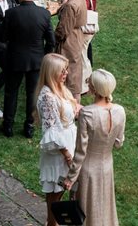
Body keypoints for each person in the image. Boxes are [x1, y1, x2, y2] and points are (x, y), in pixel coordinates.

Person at [63, 69, 126, 226]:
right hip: (107, 166)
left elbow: (80, 151)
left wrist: (71, 177)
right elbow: (119, 143)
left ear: (94, 89)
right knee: (105, 207)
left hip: (89, 169)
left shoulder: (87, 113)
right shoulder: (120, 111)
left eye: (89, 83)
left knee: (87, 210)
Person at [1, 0, 55, 138]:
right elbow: (51, 41)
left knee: (11, 92)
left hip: (15, 59)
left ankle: (8, 125)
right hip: (36, 60)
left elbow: (2, 38)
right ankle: (29, 126)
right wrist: (44, 56)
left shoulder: (11, 13)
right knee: (32, 94)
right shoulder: (44, 14)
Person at [36, 53, 80, 226]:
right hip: (59, 152)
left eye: (66, 69)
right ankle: (51, 223)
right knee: (55, 192)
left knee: (61, 190)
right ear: (51, 72)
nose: (66, 73)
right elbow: (51, 131)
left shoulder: (60, 88)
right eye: (62, 70)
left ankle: (53, 222)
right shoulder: (47, 97)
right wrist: (67, 155)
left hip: (69, 144)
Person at [55, 0, 87, 101]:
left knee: (68, 75)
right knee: (75, 72)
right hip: (77, 37)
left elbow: (63, 30)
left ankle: (70, 106)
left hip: (69, 42)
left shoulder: (71, 5)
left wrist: (53, 37)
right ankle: (75, 104)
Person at [81, 0, 98, 66]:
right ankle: (90, 64)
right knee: (88, 45)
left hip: (85, 25)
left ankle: (87, 68)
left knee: (84, 50)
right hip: (91, 25)